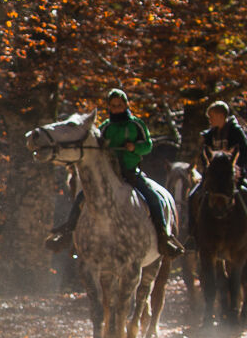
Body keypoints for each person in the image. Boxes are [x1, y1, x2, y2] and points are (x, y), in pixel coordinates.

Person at [46, 88, 183, 260]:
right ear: (109, 107)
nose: (117, 108)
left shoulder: (136, 125)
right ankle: (67, 235)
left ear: (126, 105)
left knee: (154, 198)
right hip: (109, 174)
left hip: (131, 172)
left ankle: (163, 236)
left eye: (119, 105)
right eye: (113, 105)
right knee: (81, 198)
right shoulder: (105, 127)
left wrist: (135, 147)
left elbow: (147, 145)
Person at [197, 99, 247, 249]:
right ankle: (193, 235)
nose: (209, 120)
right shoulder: (210, 134)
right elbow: (205, 156)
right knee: (193, 196)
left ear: (220, 115)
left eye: (211, 116)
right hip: (215, 178)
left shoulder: (235, 131)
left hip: (233, 176)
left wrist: (233, 167)